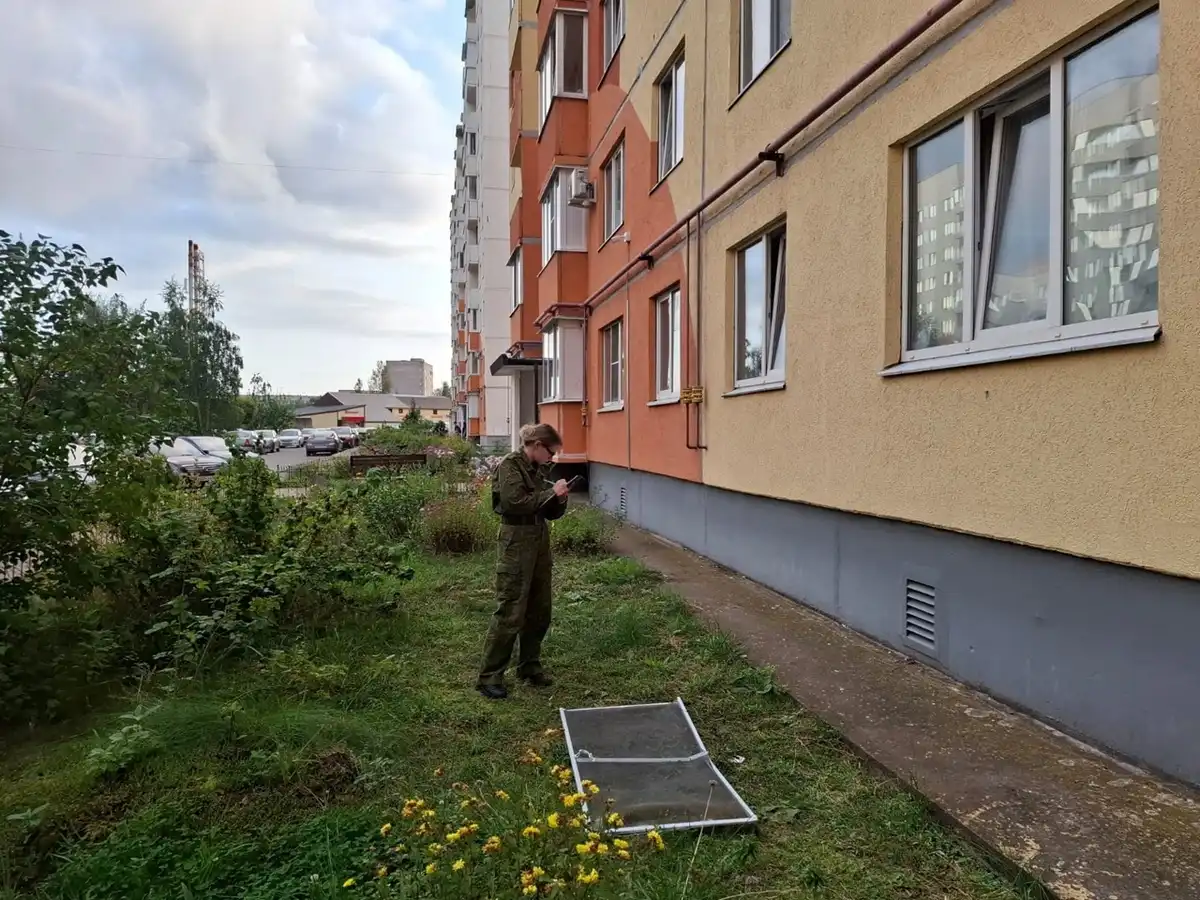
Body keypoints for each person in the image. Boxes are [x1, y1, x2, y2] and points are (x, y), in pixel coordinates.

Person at [476, 423, 571, 699]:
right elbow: (514, 502)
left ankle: (529, 666)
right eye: (550, 452)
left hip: (539, 538)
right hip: (516, 540)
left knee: (540, 608)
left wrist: (560, 499)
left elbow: (548, 511)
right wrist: (551, 493)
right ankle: (489, 676)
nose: (552, 458)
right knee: (511, 609)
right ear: (537, 446)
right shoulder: (510, 466)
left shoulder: (540, 469)